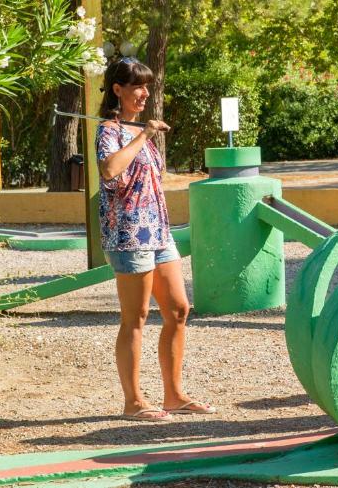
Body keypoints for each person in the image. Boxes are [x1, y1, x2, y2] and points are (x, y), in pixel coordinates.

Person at [96, 57, 214, 421]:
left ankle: (174, 396)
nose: (146, 93)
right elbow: (109, 171)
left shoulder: (136, 128)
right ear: (118, 89)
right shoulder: (109, 130)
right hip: (129, 233)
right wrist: (143, 135)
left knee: (178, 309)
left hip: (159, 231)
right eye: (138, 86)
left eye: (147, 86)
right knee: (136, 316)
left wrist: (144, 135)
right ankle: (133, 402)